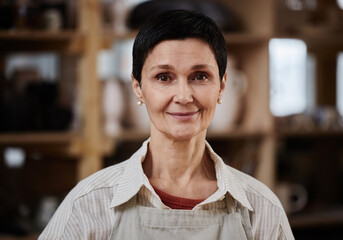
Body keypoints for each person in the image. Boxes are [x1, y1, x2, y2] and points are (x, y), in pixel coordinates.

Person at [39, 10, 294, 240]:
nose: (183, 96)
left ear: (222, 85)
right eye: (164, 77)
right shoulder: (90, 203)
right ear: (138, 88)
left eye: (200, 76)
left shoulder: (261, 209)